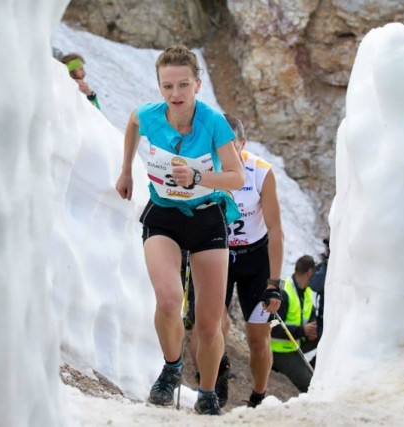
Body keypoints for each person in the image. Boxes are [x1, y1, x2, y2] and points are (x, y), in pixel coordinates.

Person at [114, 45, 245, 416]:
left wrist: (200, 176)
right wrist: (126, 169)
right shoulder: (150, 115)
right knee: (170, 300)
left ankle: (206, 392)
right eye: (167, 86)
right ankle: (172, 368)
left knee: (207, 322)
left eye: (183, 85)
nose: (176, 94)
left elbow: (236, 177)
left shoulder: (214, 122)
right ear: (159, 85)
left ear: (198, 84)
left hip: (207, 219)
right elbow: (133, 122)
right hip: (164, 216)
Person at [183, 114, 285, 409]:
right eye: (219, 147)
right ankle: (211, 382)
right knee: (208, 327)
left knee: (257, 338)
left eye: (232, 146)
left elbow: (276, 230)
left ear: (243, 143)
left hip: (255, 258)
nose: (227, 154)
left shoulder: (260, 172)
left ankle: (258, 397)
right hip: (217, 253)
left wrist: (274, 283)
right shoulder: (203, 169)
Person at [270, 255, 318, 393]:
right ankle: (304, 373)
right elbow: (272, 327)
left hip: (295, 343)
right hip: (279, 350)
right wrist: (303, 330)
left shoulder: (306, 291)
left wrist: (314, 326)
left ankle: (313, 370)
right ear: (309, 272)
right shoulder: (284, 292)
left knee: (325, 336)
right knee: (310, 386)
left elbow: (310, 313)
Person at [310, 237, 329, 340]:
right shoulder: (325, 266)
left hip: (329, 317)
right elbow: (314, 283)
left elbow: (317, 284)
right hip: (323, 316)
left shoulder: (329, 268)